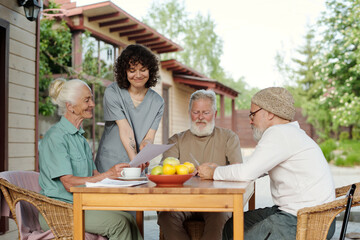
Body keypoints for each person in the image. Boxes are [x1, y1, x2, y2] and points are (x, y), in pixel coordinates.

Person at [198, 87, 336, 240]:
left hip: (306, 220)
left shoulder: (279, 133)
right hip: (309, 216)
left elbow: (246, 173)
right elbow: (256, 168)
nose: (250, 120)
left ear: (270, 113)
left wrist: (213, 173)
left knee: (238, 232)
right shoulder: (289, 133)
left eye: (253, 114)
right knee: (234, 225)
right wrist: (220, 170)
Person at [38, 78, 143, 240]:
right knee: (119, 223)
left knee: (129, 218)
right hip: (58, 210)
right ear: (70, 106)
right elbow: (68, 183)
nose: (93, 104)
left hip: (81, 205)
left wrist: (122, 175)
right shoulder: (55, 138)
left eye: (91, 99)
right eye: (87, 100)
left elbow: (95, 175)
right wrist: (107, 175)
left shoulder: (80, 138)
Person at [157, 89, 243, 240]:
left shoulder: (229, 137)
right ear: (189, 112)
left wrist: (217, 170)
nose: (200, 117)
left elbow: (239, 170)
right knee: (165, 215)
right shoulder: (176, 140)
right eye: (196, 112)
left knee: (220, 216)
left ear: (215, 114)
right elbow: (165, 172)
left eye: (206, 112)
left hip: (218, 202)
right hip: (181, 201)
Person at [95, 44, 164, 172]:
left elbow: (149, 137)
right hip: (110, 164)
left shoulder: (158, 102)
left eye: (143, 69)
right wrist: (136, 162)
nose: (138, 75)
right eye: (132, 70)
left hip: (138, 164)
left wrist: (146, 146)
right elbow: (125, 130)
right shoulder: (113, 92)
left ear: (150, 70)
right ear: (124, 72)